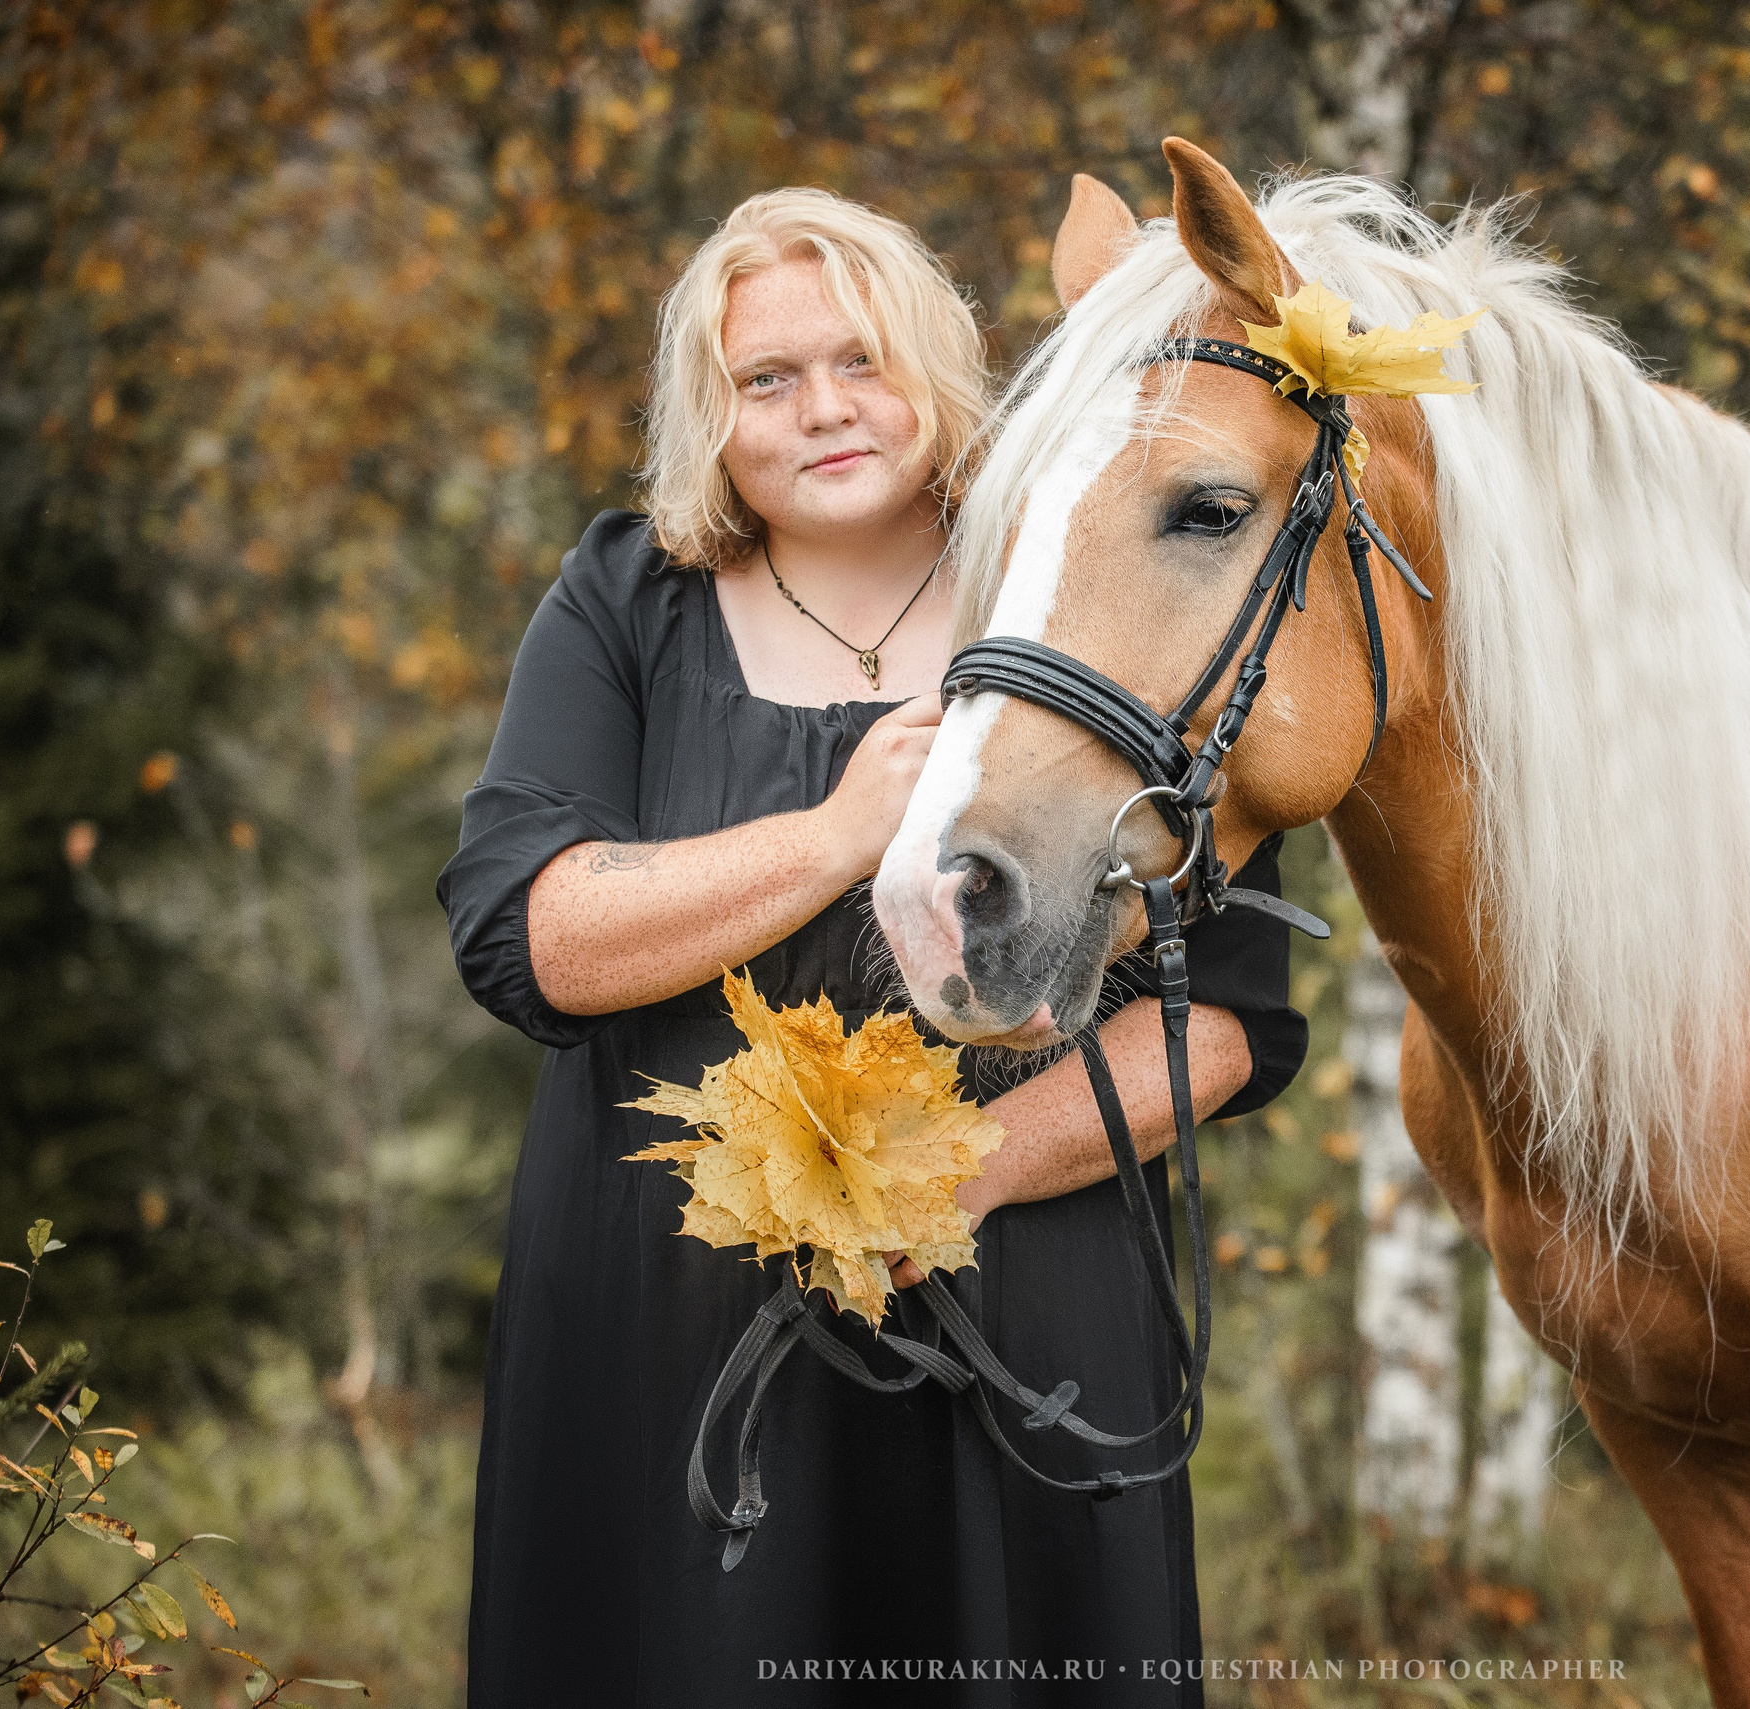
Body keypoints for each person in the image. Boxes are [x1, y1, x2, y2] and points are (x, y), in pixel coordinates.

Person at [437, 187, 1307, 1707]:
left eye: (862, 359)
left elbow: (1222, 1015)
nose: (824, 410)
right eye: (765, 381)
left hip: (1022, 1329)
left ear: (941, 365)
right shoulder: (624, 602)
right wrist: (838, 836)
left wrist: (962, 1174)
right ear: (710, 415)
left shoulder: (1070, 570)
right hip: (671, 1338)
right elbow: (540, 938)